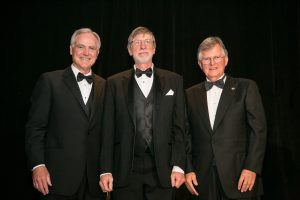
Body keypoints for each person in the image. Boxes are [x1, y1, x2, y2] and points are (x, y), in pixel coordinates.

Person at [99, 26, 186, 200]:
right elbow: (107, 130)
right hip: (125, 169)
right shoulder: (114, 83)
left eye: (147, 42)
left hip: (163, 169)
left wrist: (178, 166)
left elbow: (180, 127)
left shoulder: (174, 81)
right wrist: (105, 170)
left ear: (154, 48)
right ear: (129, 50)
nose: (143, 46)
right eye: (137, 42)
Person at [25, 28, 106, 200]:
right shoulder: (50, 81)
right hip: (57, 178)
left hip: (94, 182)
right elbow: (35, 127)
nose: (86, 52)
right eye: (80, 47)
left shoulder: (106, 86)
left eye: (92, 48)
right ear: (71, 49)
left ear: (98, 53)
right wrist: (38, 165)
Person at [185, 36, 267, 200]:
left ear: (226, 60)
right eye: (206, 59)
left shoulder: (246, 87)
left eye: (216, 57)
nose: (212, 63)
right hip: (202, 180)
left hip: (240, 177)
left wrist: (252, 168)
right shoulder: (189, 94)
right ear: (200, 65)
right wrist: (187, 169)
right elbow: (185, 135)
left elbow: (258, 131)